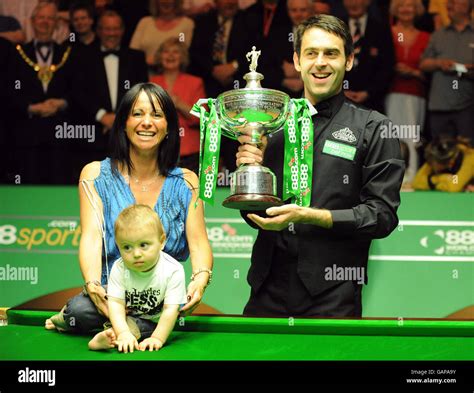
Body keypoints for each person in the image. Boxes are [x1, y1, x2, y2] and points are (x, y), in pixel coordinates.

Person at [236, 15, 405, 317]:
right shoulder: (270, 125)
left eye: (331, 53)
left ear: (349, 61)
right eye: (311, 53)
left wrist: (313, 216)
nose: (321, 63)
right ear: (297, 61)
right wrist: (250, 177)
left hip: (333, 295)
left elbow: (382, 216)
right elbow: (254, 216)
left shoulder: (374, 128)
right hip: (266, 291)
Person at [45, 82, 213, 333]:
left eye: (157, 115)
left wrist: (200, 280)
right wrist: (92, 284)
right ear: (123, 123)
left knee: (172, 311)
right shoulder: (94, 175)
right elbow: (91, 237)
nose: (147, 122)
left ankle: (121, 328)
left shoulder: (187, 182)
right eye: (138, 114)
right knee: (81, 312)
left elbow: (199, 242)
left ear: (168, 127)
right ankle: (122, 325)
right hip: (112, 294)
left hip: (161, 300)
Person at [88, 204, 187, 352]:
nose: (136, 254)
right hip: (117, 309)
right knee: (78, 309)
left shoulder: (174, 270)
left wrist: (157, 338)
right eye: (127, 247)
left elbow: (170, 310)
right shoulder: (119, 267)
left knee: (132, 329)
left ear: (162, 241)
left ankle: (105, 338)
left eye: (143, 245)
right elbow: (115, 303)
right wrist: (123, 332)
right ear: (118, 245)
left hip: (146, 319)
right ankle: (61, 319)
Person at [385, 0, 431, 185]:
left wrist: (414, 72)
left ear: (417, 10)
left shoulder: (427, 37)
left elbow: (430, 71)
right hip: (391, 92)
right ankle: (393, 179)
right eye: (402, 5)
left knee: (412, 136)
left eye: (410, 5)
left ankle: (411, 178)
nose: (406, 9)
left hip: (416, 92)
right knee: (391, 136)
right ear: (395, 10)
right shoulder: (386, 33)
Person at [419, 0, 474, 141]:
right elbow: (423, 64)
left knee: (467, 156)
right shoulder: (438, 35)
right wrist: (439, 63)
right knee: (440, 156)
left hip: (467, 108)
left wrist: (467, 69)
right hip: (439, 107)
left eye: (454, 2)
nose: (448, 6)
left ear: (467, 6)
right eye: (448, 2)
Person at [150, 38, 205, 174]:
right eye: (166, 52)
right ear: (159, 56)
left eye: (176, 52)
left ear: (183, 57)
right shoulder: (151, 83)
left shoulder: (195, 82)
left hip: (189, 152)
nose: (170, 56)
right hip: (158, 150)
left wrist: (178, 103)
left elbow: (202, 118)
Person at [130, 0, 195, 66]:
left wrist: (156, 61)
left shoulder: (184, 25)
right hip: (142, 72)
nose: (166, 1)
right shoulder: (145, 23)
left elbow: (182, 50)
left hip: (172, 73)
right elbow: (133, 52)